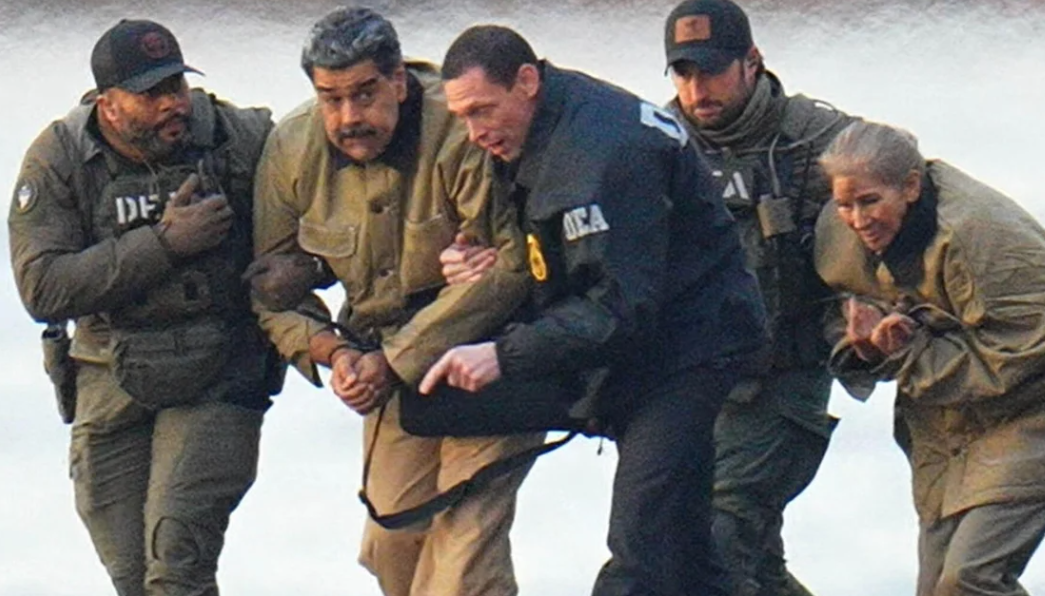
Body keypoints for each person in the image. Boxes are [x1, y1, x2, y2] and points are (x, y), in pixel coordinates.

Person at [421, 24, 769, 596]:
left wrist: (504, 355)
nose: (475, 131)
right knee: (687, 556)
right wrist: (479, 257)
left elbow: (620, 308)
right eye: (462, 116)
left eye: (483, 110)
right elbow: (554, 252)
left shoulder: (604, 151)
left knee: (639, 547)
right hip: (632, 346)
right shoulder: (535, 127)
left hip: (690, 349)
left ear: (527, 81)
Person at [242, 8, 541, 596]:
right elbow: (270, 290)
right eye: (331, 99)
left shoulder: (458, 129)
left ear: (399, 81)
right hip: (385, 369)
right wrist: (332, 352)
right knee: (391, 550)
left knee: (462, 562)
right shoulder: (292, 148)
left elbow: (507, 271)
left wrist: (395, 359)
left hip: (491, 360)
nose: (349, 116)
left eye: (365, 93)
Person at [8, 19, 277, 596]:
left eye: (176, 87)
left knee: (176, 569)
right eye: (150, 94)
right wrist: (164, 243)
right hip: (108, 376)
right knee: (133, 579)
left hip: (217, 370)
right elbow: (43, 288)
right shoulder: (60, 158)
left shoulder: (239, 137)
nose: (172, 105)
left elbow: (320, 205)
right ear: (108, 106)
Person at [661, 1, 856, 593]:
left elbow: (902, 205)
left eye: (713, 70)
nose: (698, 89)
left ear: (752, 62)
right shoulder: (656, 144)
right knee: (751, 564)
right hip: (693, 389)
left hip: (784, 382)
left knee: (716, 544)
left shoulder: (819, 143)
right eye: (683, 72)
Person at [815, 120, 1045, 596]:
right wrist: (868, 347)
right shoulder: (839, 239)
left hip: (1032, 414)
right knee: (936, 587)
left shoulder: (982, 235)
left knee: (969, 580)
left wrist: (911, 352)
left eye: (870, 201)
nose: (858, 219)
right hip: (945, 428)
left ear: (911, 187)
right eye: (844, 204)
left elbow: (1022, 352)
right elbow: (837, 309)